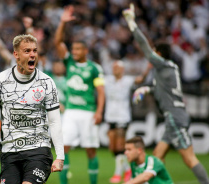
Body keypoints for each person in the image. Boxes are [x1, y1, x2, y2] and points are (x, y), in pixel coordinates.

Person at [123, 4, 209, 184]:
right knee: (156, 157)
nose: (151, 55)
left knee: (189, 159)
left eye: (155, 53)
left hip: (175, 117)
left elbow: (144, 47)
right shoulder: (167, 71)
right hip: (173, 116)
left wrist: (132, 24)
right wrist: (145, 89)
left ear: (160, 54)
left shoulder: (163, 65)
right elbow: (161, 89)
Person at [0, 34, 64, 184]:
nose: (32, 55)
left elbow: (55, 122)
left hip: (38, 150)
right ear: (16, 55)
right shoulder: (0, 80)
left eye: (34, 51)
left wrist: (60, 156)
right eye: (27, 51)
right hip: (9, 151)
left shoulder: (46, 82)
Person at [54, 5, 105, 184]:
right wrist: (62, 23)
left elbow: (101, 91)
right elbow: (58, 43)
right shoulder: (69, 63)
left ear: (85, 51)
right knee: (63, 148)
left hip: (88, 112)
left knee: (90, 150)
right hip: (71, 112)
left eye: (77, 50)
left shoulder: (94, 68)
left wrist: (99, 112)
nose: (74, 52)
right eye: (73, 49)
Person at [105, 60, 151, 183]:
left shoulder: (127, 80)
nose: (115, 69)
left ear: (123, 69)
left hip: (122, 116)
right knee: (113, 147)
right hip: (110, 116)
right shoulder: (107, 80)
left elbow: (140, 79)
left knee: (120, 146)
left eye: (117, 68)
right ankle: (128, 170)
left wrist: (148, 69)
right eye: (114, 67)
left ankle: (117, 174)